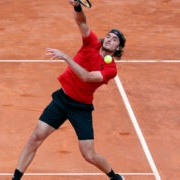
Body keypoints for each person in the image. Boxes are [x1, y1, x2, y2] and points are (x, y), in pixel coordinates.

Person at [12, 0, 126, 179]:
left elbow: (87, 77)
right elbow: (81, 22)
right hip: (62, 100)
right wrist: (77, 6)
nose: (110, 40)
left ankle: (113, 176)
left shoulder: (110, 69)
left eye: (115, 40)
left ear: (117, 48)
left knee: (89, 155)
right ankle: (16, 177)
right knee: (36, 137)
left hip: (81, 108)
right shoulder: (92, 43)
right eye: (109, 36)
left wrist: (66, 57)